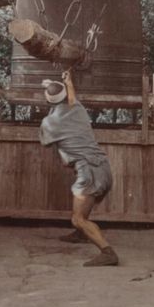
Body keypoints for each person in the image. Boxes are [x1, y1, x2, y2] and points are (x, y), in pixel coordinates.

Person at [38, 69, 119, 266]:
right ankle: (81, 234)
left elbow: (46, 143)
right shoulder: (79, 109)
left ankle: (107, 252)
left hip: (89, 172)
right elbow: (72, 100)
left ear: (49, 101)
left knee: (77, 218)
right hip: (104, 169)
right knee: (83, 210)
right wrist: (69, 82)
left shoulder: (49, 123)